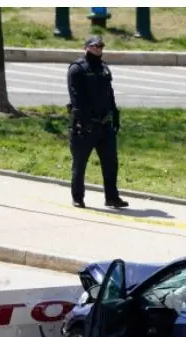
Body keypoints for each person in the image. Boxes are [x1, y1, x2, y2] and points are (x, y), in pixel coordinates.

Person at [67, 35, 129, 209]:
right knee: (79, 164)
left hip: (104, 125)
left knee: (111, 163)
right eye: (94, 47)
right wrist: (84, 121)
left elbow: (110, 94)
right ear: (86, 47)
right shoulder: (77, 69)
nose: (98, 50)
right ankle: (78, 197)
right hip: (84, 125)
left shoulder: (103, 68)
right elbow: (76, 98)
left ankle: (112, 197)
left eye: (100, 47)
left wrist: (115, 115)